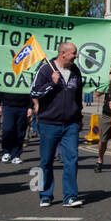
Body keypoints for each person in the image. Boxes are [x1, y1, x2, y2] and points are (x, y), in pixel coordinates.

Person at [31, 42, 85, 208]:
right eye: (74, 53)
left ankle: (70, 196)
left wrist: (79, 115)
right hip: (49, 122)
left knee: (71, 159)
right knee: (46, 161)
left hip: (71, 123)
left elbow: (78, 95)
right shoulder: (45, 69)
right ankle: (44, 194)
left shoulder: (75, 71)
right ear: (63, 53)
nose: (76, 56)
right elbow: (34, 92)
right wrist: (52, 84)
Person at [0, 89, 33, 164]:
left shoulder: (26, 77)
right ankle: (6, 151)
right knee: (7, 129)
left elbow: (31, 90)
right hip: (8, 105)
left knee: (20, 131)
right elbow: (0, 88)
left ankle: (16, 155)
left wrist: (30, 107)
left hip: (23, 106)